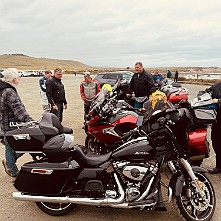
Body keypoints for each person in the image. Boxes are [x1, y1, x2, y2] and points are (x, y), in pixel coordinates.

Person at [0, 68, 33, 182]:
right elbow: (18, 109)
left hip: (5, 124)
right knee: (13, 147)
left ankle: (8, 163)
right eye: (18, 78)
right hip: (12, 126)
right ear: (14, 79)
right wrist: (30, 121)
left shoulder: (3, 89)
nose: (19, 80)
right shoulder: (9, 91)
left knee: (14, 147)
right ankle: (13, 172)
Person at [205, 83, 221, 174]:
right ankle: (219, 166)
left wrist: (219, 101)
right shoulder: (217, 86)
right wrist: (204, 95)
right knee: (216, 142)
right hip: (217, 120)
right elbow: (207, 91)